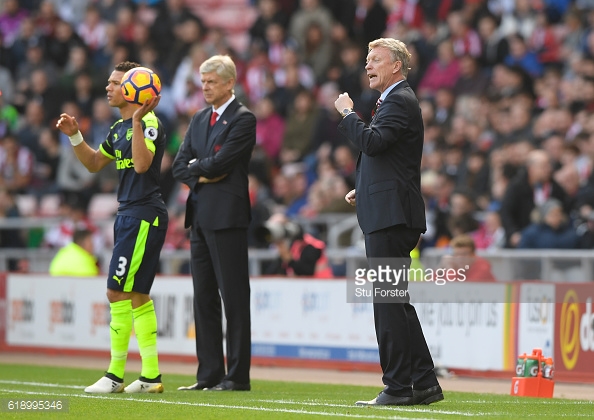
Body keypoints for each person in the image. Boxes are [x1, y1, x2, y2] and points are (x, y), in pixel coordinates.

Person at [334, 38, 443, 406]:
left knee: (387, 300)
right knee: (395, 300)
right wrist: (362, 188)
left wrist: (348, 115)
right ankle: (424, 382)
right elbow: (389, 156)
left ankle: (397, 387)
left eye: (375, 59)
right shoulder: (394, 100)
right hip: (388, 209)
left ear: (396, 65)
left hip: (392, 215)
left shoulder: (399, 99)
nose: (368, 64)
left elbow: (374, 142)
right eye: (366, 59)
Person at [55, 61, 168, 394]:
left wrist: (135, 121)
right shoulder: (119, 128)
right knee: (137, 295)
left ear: (134, 89)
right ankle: (151, 377)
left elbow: (143, 164)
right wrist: (75, 135)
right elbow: (92, 163)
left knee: (115, 291)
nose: (108, 87)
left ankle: (115, 375)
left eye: (115, 83)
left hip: (142, 214)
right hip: (131, 214)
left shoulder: (146, 122)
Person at [172, 55, 256, 392]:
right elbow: (179, 166)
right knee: (203, 297)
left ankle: (236, 376)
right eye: (202, 81)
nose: (204, 87)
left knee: (234, 297)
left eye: (211, 81)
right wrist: (203, 173)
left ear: (229, 83)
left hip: (227, 218)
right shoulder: (198, 118)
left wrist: (200, 167)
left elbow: (224, 161)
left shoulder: (243, 118)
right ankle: (208, 374)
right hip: (200, 217)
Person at [259, 213, 333, 278]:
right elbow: (272, 273)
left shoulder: (312, 245)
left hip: (320, 288)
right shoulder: (289, 246)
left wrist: (289, 259)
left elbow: (307, 272)